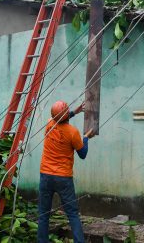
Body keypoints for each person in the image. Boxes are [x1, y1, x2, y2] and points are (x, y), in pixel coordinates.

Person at [37, 100, 94, 243]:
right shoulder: (73, 133)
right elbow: (83, 154)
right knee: (72, 214)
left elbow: (60, 117)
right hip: (63, 178)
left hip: (45, 175)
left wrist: (76, 111)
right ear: (66, 115)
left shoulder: (49, 124)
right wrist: (86, 138)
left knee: (43, 214)